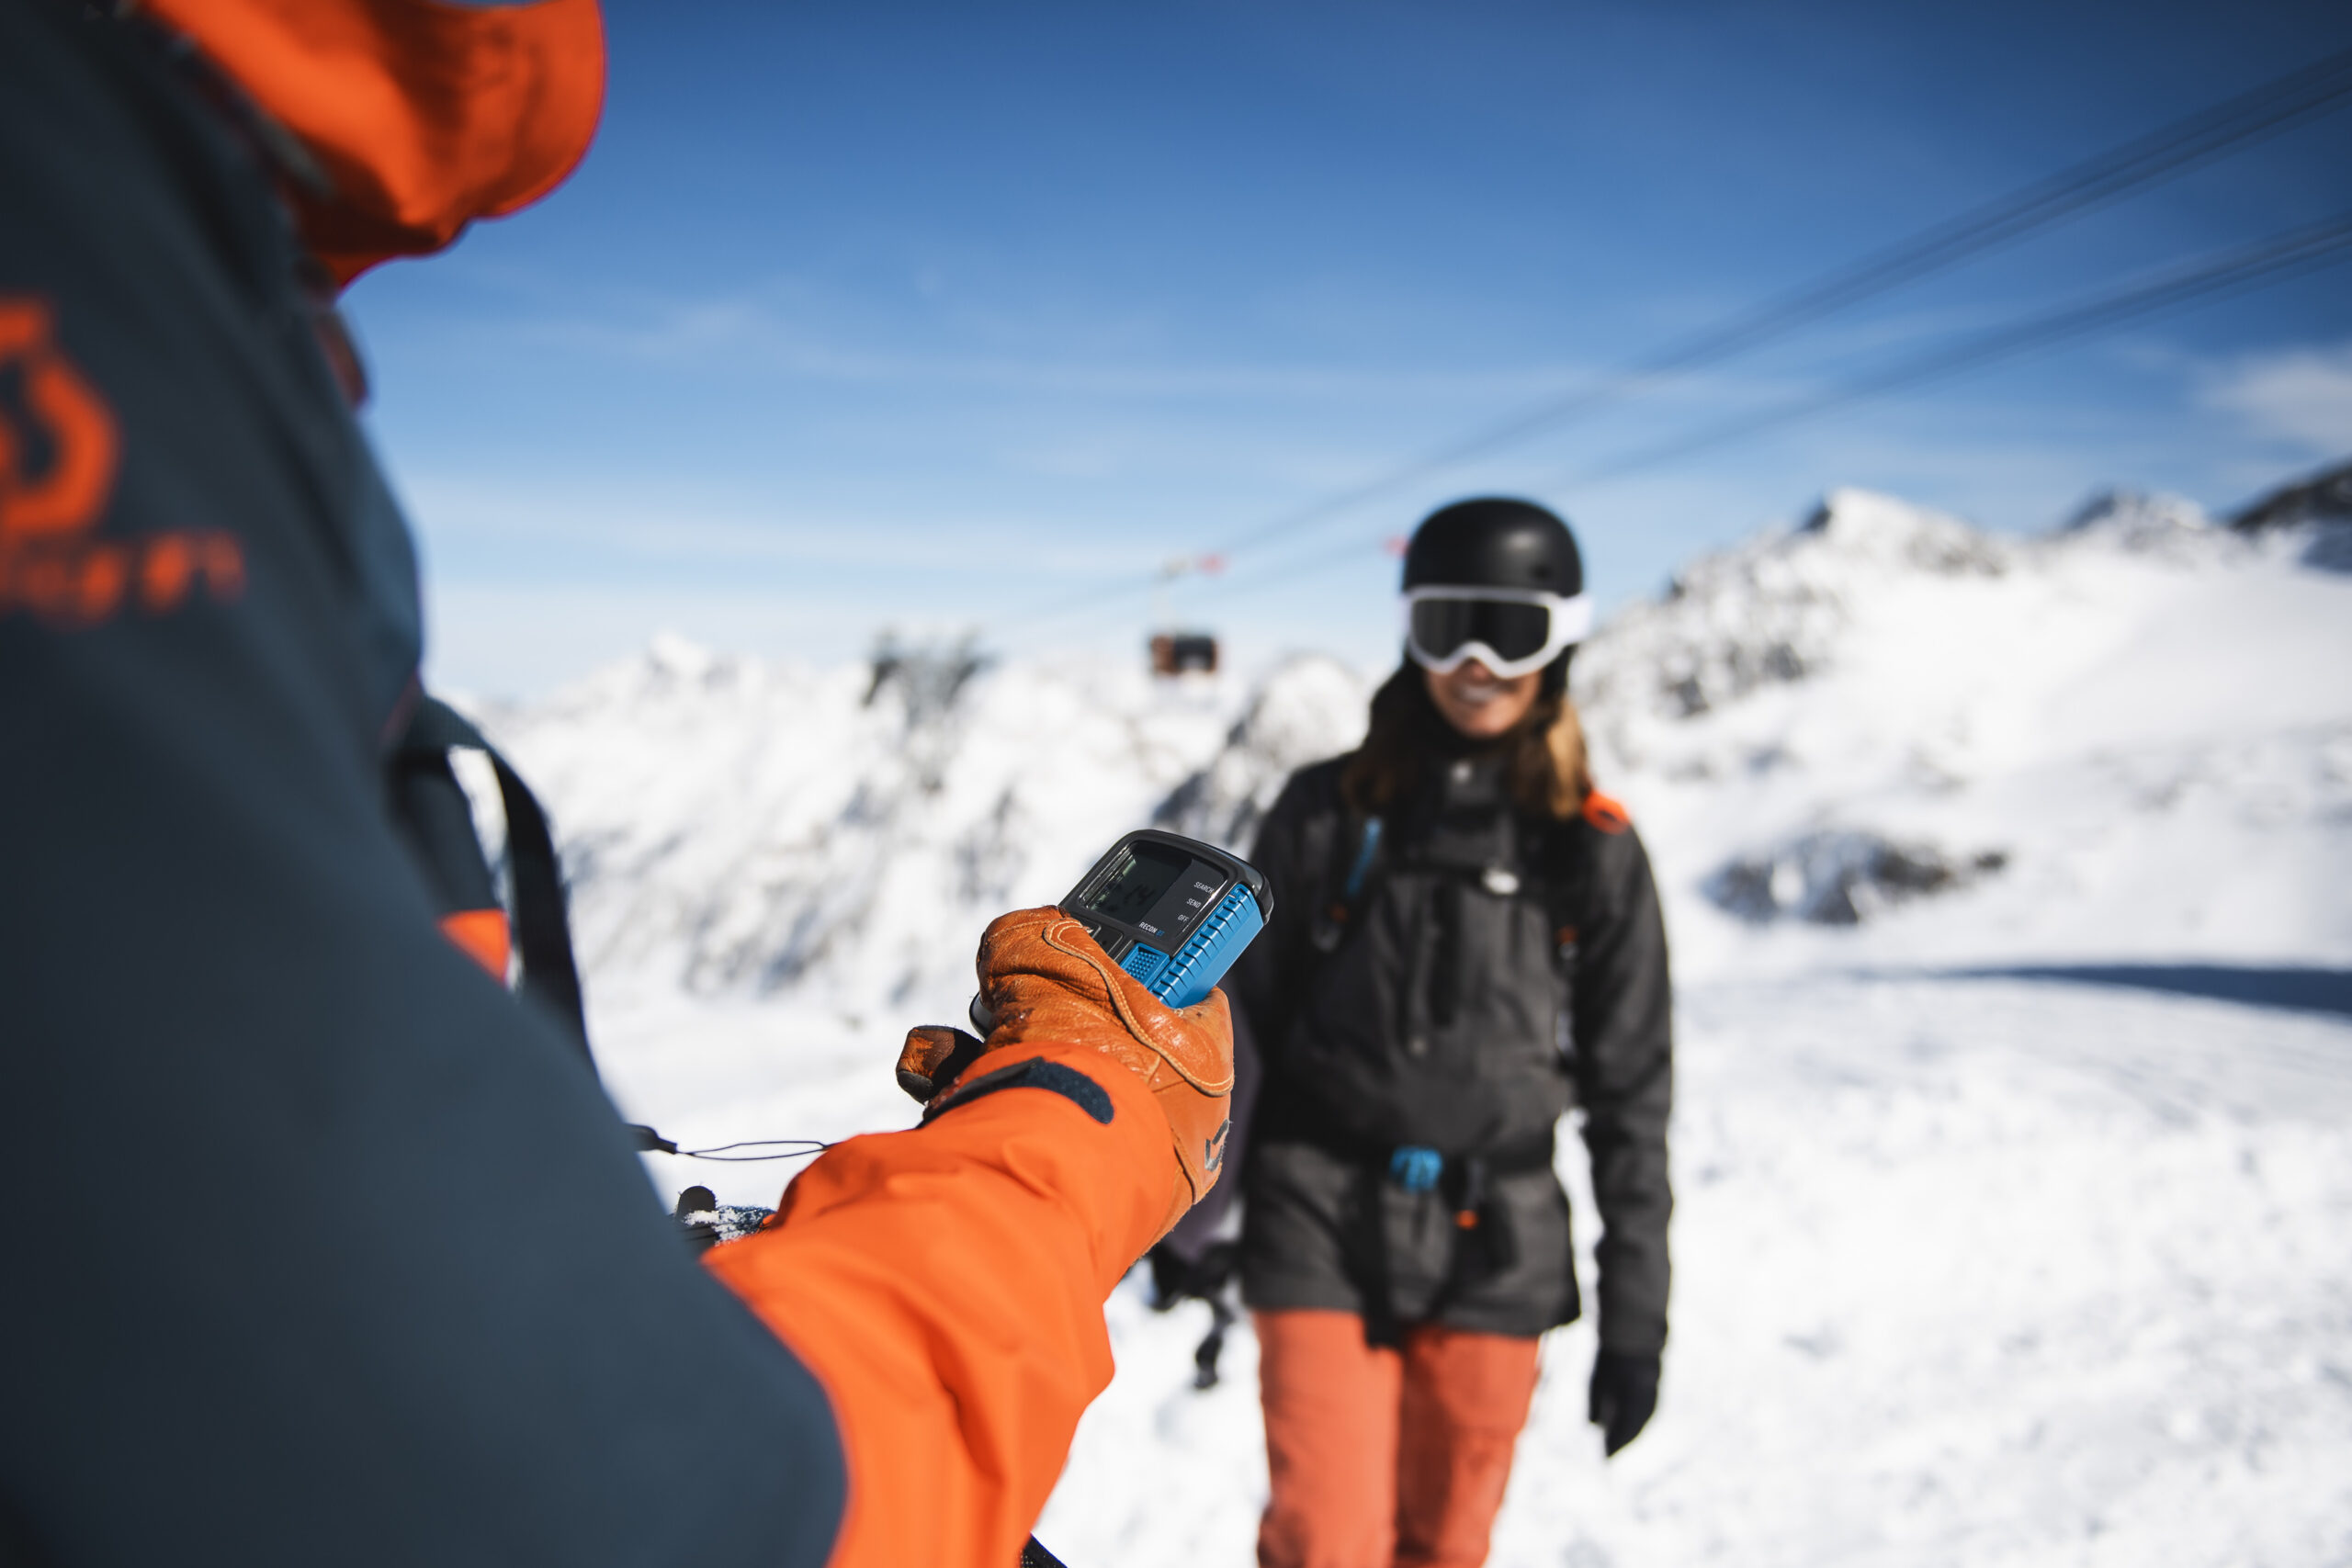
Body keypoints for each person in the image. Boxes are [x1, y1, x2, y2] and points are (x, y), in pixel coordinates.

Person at [0, 2, 1230, 1564]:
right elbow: (678, 1505)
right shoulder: (75, 237)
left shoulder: (166, 230)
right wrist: (1071, 1112)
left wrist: (559, 1204)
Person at [1225, 497, 1673, 1568]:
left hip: (1497, 1239)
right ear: (1408, 634)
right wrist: (1188, 1223)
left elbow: (1630, 1101)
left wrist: (1635, 1319)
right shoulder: (1324, 812)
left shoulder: (1589, 850)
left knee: (1446, 1543)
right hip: (1316, 1212)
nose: (1476, 662)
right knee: (1325, 1540)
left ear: (1559, 641)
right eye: (1445, 628)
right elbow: (1236, 1037)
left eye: (1508, 630)